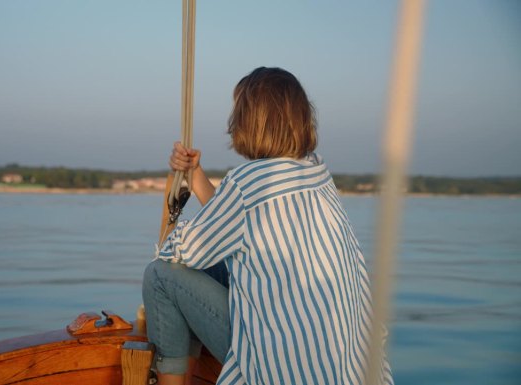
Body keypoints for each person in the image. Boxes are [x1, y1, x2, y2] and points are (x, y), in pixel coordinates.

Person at [143, 67, 393, 385]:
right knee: (216, 264)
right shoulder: (316, 172)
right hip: (353, 369)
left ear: (246, 122)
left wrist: (176, 234)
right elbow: (241, 220)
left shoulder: (246, 183)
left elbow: (180, 251)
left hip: (286, 373)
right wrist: (195, 175)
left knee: (160, 276)